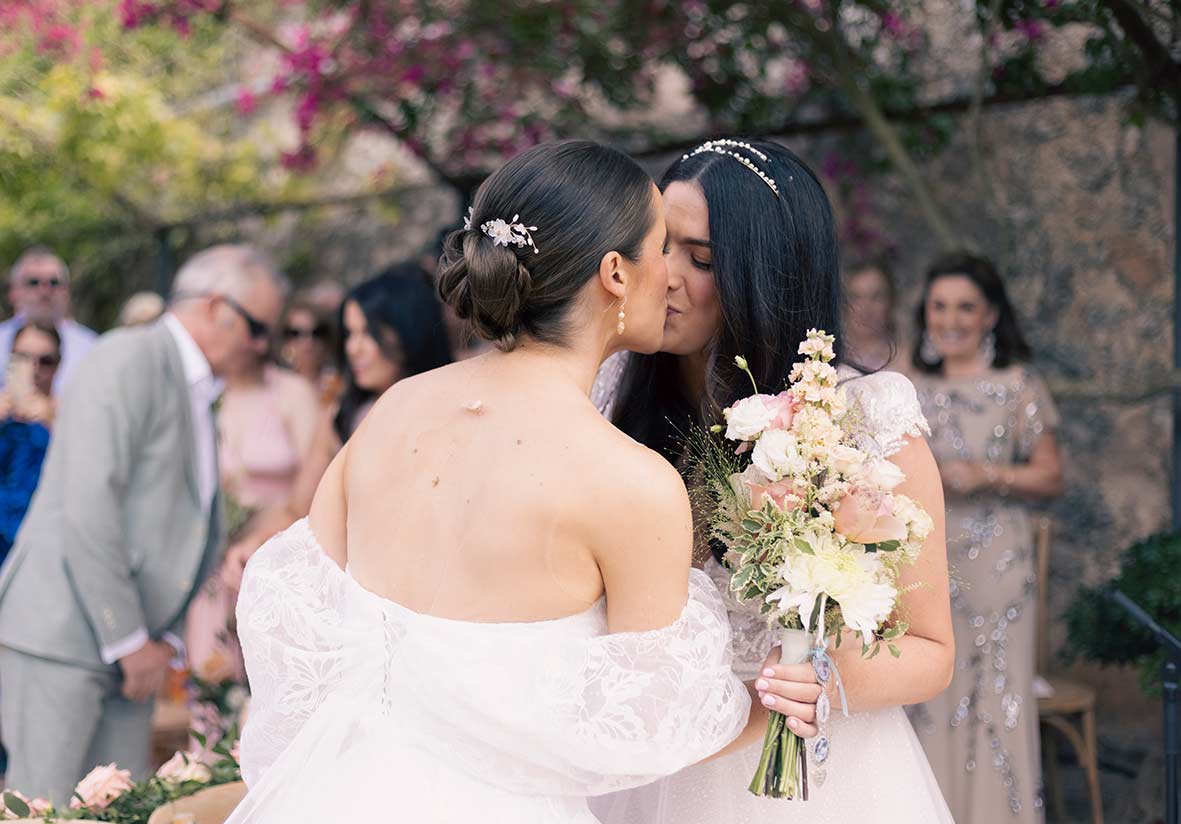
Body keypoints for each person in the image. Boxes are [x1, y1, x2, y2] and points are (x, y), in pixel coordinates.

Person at [226, 140, 811, 822]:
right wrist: (777, 704)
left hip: (335, 795)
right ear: (615, 274)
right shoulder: (631, 484)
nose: (673, 275)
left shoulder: (392, 411)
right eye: (662, 250)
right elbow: (653, 729)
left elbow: (291, 620)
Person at [592, 138, 955, 824]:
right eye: (657, 244)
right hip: (648, 764)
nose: (664, 275)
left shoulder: (862, 418)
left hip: (806, 781)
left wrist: (821, 677)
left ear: (762, 274)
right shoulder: (606, 394)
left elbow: (931, 652)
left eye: (698, 259)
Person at [0, 244, 287, 805]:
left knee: (122, 813)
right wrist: (132, 641)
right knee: (44, 810)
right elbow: (89, 506)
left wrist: (160, 642)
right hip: (64, 638)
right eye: (258, 328)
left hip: (129, 650)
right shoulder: (127, 357)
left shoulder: (195, 385)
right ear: (215, 307)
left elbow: (178, 522)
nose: (261, 346)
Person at [906, 252, 1063, 824]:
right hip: (924, 562)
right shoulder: (906, 388)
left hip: (998, 565)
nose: (950, 320)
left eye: (965, 307)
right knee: (927, 695)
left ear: (990, 315)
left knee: (997, 704)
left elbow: (1051, 475)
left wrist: (987, 474)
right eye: (939, 306)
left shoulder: (1017, 386)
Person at [220, 263, 453, 590]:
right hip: (352, 584)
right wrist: (256, 544)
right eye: (350, 333)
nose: (353, 348)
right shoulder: (341, 417)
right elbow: (298, 507)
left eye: (368, 334)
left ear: (407, 331)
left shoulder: (448, 412)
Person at [183, 325, 321, 688]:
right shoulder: (205, 399)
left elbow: (317, 488)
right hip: (214, 573)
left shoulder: (293, 393)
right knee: (214, 686)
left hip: (278, 561)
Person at [0, 322, 61, 565]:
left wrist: (55, 426)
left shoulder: (69, 417)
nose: (34, 369)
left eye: (45, 361)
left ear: (58, 365)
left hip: (42, 552)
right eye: (23, 358)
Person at [0, 247, 97, 396]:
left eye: (54, 282)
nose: (44, 291)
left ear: (67, 291)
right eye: (33, 282)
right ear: (14, 291)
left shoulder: (92, 347)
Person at [843, 257, 901, 371]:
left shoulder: (907, 361)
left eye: (876, 297)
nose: (866, 308)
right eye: (856, 297)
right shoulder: (828, 360)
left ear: (891, 301)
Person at [279, 297, 340, 404]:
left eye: (317, 333)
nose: (308, 342)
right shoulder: (277, 389)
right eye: (296, 333)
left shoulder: (341, 388)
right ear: (285, 340)